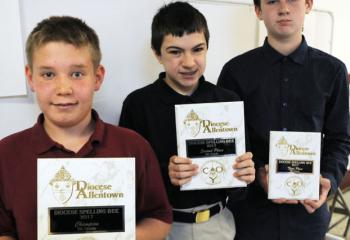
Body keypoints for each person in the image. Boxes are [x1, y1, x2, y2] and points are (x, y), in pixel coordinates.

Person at [0, 16, 172, 240]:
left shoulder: (133, 146)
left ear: (97, 77)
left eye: (77, 74)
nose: (64, 88)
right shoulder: (6, 154)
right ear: (31, 78)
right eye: (48, 74)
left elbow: (158, 217)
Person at [119, 2, 255, 240]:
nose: (189, 62)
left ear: (207, 48)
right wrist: (165, 174)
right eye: (175, 52)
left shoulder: (227, 102)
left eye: (197, 49)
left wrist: (244, 175)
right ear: (156, 53)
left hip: (217, 224)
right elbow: (125, 180)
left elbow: (238, 184)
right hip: (160, 227)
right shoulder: (138, 104)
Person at [217, 0, 350, 239]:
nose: (284, 8)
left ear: (308, 4)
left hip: (309, 213)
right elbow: (227, 143)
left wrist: (327, 179)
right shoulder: (235, 72)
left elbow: (340, 140)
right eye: (272, 1)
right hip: (250, 214)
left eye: (292, 0)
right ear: (258, 11)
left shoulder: (333, 71)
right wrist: (258, 174)